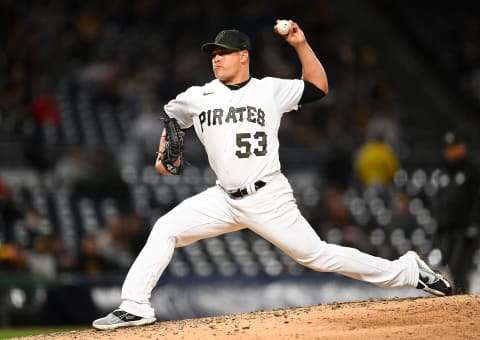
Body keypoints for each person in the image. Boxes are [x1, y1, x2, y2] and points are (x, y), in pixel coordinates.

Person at [93, 21, 452, 330]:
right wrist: (163, 153)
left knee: (318, 256)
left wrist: (300, 44)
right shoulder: (198, 95)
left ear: (243, 55)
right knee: (166, 228)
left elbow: (317, 87)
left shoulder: (269, 89)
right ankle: (135, 306)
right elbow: (172, 117)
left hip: (268, 196)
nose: (216, 57)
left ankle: (408, 271)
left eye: (225, 51)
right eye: (213, 52)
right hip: (222, 197)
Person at [430, 130, 480, 294]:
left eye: (455, 146)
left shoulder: (472, 171)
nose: (452, 151)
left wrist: (474, 223)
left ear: (463, 148)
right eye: (449, 147)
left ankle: (462, 307)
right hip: (446, 231)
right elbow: (436, 201)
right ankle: (453, 307)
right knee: (448, 269)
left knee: (460, 270)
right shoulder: (440, 172)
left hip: (466, 230)